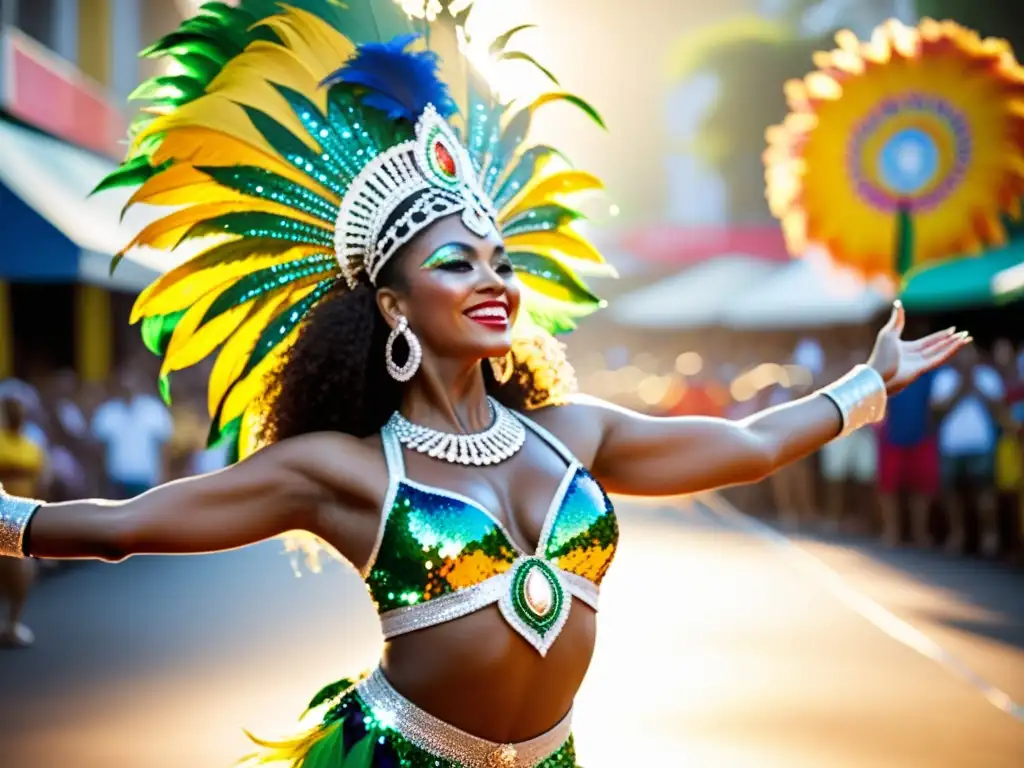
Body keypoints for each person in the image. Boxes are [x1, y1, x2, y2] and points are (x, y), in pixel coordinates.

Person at [0, 4, 969, 765]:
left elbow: (753, 446)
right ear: (392, 307)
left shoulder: (571, 435)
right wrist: (8, 521)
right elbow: (123, 529)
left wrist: (861, 386)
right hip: (394, 762)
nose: (495, 280)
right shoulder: (345, 471)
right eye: (458, 264)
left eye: (502, 261)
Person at [930, 347, 1004, 556]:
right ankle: (958, 535)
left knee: (985, 493)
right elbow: (937, 411)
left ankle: (989, 537)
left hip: (981, 445)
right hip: (951, 446)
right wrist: (962, 388)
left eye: (970, 353)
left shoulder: (988, 377)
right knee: (952, 495)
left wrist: (976, 388)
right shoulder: (943, 378)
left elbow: (998, 410)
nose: (966, 358)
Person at [0, 396, 46, 646]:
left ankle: (13, 623)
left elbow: (41, 481)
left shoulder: (32, 445)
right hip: (1, 515)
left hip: (22, 517)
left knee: (22, 572)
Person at [818, 348, 879, 532]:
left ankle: (864, 520)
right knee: (835, 478)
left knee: (865, 480)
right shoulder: (834, 376)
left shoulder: (874, 379)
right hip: (841, 431)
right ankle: (834, 518)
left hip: (866, 433)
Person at [90, 370, 173, 498]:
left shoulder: (153, 409)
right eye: (124, 386)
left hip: (146, 478)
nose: (128, 389)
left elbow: (164, 446)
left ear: (139, 386)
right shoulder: (108, 411)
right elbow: (99, 448)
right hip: (116, 479)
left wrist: (163, 477)